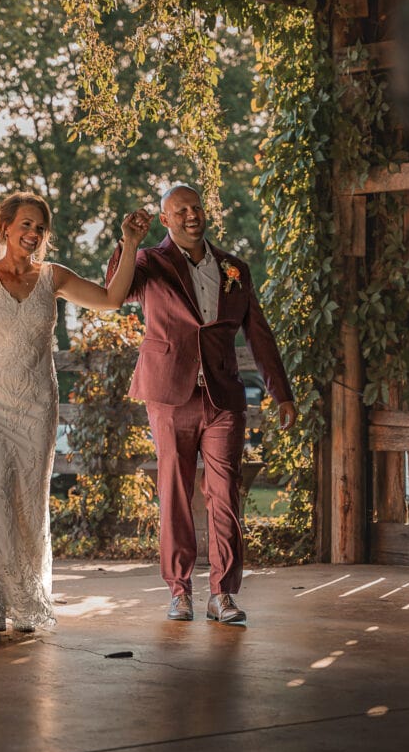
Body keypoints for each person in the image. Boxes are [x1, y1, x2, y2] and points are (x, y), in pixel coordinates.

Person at [0, 191, 152, 632]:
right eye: (25, 224)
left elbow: (112, 299)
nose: (33, 234)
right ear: (4, 227)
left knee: (27, 497)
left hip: (38, 401)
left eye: (40, 228)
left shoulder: (53, 277)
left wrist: (130, 244)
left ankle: (24, 597)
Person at [107, 184, 296, 626]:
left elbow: (259, 334)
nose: (191, 215)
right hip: (170, 394)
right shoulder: (151, 262)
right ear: (166, 219)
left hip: (223, 396)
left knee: (225, 493)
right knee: (173, 491)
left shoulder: (235, 269)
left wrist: (280, 392)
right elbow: (117, 290)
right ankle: (179, 591)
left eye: (196, 207)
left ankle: (223, 594)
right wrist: (128, 243)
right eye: (180, 210)